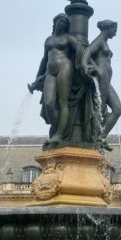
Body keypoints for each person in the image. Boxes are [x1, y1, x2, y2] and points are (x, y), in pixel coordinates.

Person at [29, 13, 82, 145]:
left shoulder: (69, 38)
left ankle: (59, 134)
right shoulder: (48, 40)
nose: (61, 24)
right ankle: (59, 128)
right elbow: (44, 59)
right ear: (55, 23)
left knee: (62, 101)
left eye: (64, 22)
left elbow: (80, 51)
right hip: (50, 72)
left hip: (64, 67)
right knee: (49, 103)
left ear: (66, 26)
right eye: (59, 21)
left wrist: (84, 66)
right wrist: (37, 77)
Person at [81, 20, 121, 150]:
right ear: (108, 29)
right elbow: (85, 55)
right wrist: (90, 68)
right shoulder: (98, 41)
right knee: (99, 109)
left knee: (117, 109)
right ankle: (94, 138)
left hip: (107, 80)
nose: (115, 34)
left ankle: (101, 136)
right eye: (114, 30)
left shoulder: (104, 43)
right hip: (102, 77)